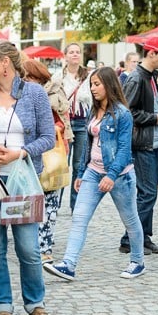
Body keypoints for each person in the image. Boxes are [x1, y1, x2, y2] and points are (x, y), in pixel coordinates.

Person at [44, 67, 145, 281]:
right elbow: (88, 146)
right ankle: (69, 265)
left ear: (109, 85)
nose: (93, 88)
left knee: (130, 219)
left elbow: (125, 150)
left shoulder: (122, 114)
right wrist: (81, 172)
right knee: (79, 217)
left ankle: (137, 261)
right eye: (92, 84)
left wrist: (112, 175)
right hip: (93, 172)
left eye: (97, 84)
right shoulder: (94, 110)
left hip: (120, 176)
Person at [0, 41, 56, 315]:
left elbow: (48, 138)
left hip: (22, 180)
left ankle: (36, 304)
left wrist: (19, 153)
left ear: (5, 63)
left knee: (28, 247)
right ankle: (2, 307)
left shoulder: (35, 94)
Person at [121, 37, 158, 255]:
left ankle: (143, 236)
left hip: (152, 142)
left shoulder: (149, 77)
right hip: (143, 144)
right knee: (148, 193)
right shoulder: (136, 78)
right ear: (151, 53)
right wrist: (154, 118)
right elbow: (127, 113)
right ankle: (130, 239)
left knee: (148, 193)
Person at [23, 59, 72, 264]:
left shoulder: (49, 96)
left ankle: (44, 247)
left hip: (51, 156)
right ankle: (31, 245)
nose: (26, 81)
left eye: (30, 77)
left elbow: (61, 123)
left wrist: (49, 130)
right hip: (30, 157)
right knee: (31, 203)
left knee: (50, 204)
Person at [61, 43, 92, 211]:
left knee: (79, 165)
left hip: (81, 122)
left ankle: (76, 204)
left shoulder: (87, 75)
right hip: (64, 123)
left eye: (77, 52)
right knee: (61, 164)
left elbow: (92, 97)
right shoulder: (59, 76)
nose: (75, 54)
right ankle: (55, 203)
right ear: (65, 55)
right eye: (71, 52)